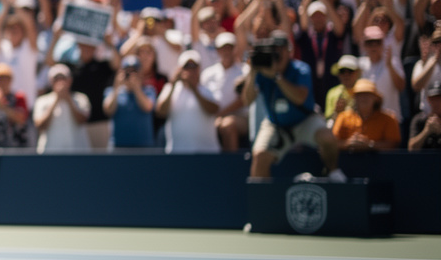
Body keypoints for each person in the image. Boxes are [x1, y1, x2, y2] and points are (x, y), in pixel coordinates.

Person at [243, 31, 345, 181]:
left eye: (281, 48)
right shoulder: (262, 70)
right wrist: (252, 73)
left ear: (289, 50)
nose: (277, 52)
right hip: (276, 125)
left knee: (328, 138)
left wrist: (277, 76)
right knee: (259, 156)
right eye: (274, 48)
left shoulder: (301, 69)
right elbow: (247, 100)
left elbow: (300, 98)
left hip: (304, 121)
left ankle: (332, 171)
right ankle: (264, 200)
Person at [157, 50, 221, 153]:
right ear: (179, 70)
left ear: (199, 69)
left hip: (207, 154)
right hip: (177, 153)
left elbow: (214, 109)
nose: (190, 71)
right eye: (186, 67)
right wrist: (173, 84)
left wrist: (194, 89)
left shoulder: (208, 87)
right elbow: (160, 111)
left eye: (194, 67)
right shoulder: (170, 88)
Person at [32, 63, 92, 152]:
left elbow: (82, 120)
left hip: (77, 152)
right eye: (56, 79)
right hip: (50, 153)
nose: (60, 82)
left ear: (70, 80)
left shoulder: (81, 98)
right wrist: (56, 99)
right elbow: (40, 125)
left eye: (63, 78)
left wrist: (68, 99)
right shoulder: (42, 101)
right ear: (50, 82)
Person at [103, 54, 157, 148]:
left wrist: (136, 88)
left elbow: (147, 107)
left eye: (134, 71)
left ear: (140, 73)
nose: (131, 74)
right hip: (119, 146)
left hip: (144, 147)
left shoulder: (149, 91)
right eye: (127, 71)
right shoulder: (111, 91)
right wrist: (116, 87)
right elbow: (108, 110)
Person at [331, 80, 401, 152]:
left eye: (368, 94)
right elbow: (332, 142)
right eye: (360, 94)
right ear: (354, 98)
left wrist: (370, 145)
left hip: (379, 162)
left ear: (375, 98)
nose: (364, 98)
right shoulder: (343, 117)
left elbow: (393, 144)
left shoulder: (388, 118)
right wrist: (348, 143)